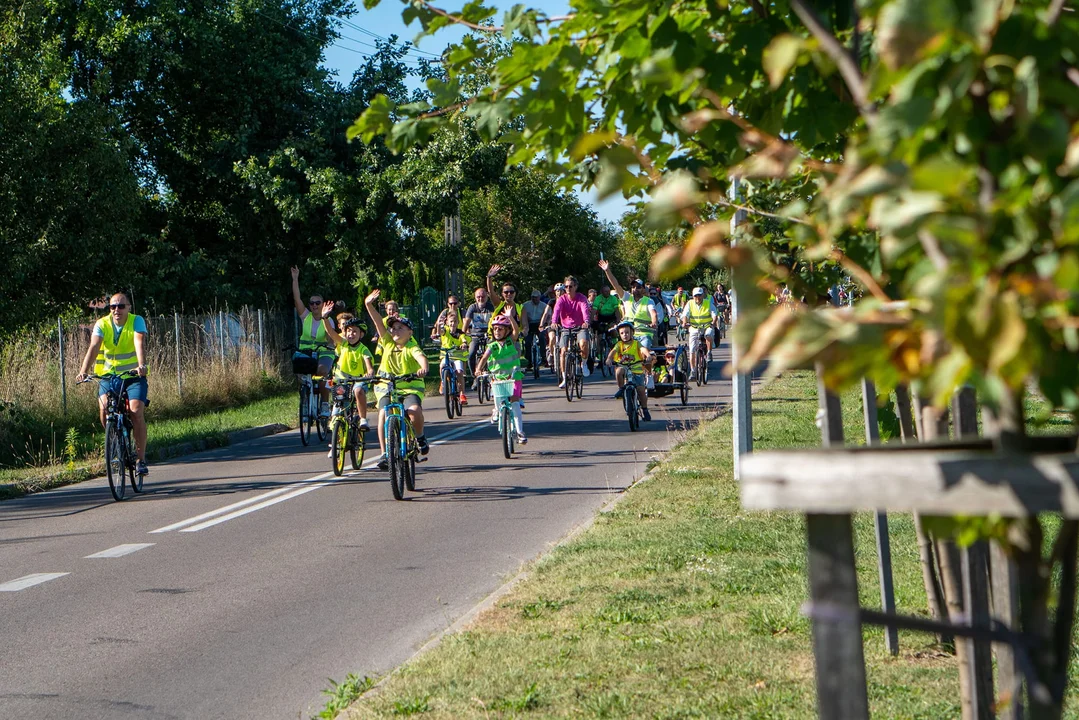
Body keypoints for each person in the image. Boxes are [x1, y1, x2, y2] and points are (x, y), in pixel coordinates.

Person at [76, 292, 150, 476]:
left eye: (121, 306)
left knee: (135, 411)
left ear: (129, 308)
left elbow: (138, 341)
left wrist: (141, 365)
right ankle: (115, 436)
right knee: (103, 409)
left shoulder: (136, 321)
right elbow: (94, 346)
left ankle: (140, 459)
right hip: (108, 376)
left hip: (132, 376)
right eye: (113, 306)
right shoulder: (102, 324)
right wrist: (84, 370)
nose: (117, 310)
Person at [364, 289, 429, 470]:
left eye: (401, 328)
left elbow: (421, 358)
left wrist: (424, 368)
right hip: (386, 385)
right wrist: (368, 305)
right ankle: (385, 453)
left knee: (414, 411)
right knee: (384, 414)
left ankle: (420, 436)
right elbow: (378, 322)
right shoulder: (387, 342)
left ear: (410, 332)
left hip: (410, 386)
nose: (395, 331)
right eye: (393, 328)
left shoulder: (411, 346)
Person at [320, 302, 374, 458]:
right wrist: (325, 318)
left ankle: (363, 419)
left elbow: (368, 365)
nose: (351, 334)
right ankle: (335, 444)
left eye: (355, 331)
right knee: (337, 411)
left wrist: (369, 372)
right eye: (348, 331)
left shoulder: (363, 348)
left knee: (358, 391)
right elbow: (330, 332)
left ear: (361, 334)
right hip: (342, 380)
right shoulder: (342, 344)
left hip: (358, 380)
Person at [291, 266, 335, 417]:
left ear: (323, 304)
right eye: (312, 303)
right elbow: (297, 299)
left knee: (322, 372)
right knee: (300, 373)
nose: (314, 305)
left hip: (324, 353)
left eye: (317, 302)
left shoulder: (328, 320)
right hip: (307, 353)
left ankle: (324, 403)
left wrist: (330, 343)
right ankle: (304, 401)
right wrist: (295, 279)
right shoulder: (306, 317)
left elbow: (331, 338)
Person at [476, 314, 527, 444]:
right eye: (495, 329)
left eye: (500, 329)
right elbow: (484, 358)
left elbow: (516, 330)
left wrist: (510, 318)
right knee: (498, 397)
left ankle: (520, 432)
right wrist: (478, 369)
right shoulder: (492, 346)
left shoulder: (511, 341)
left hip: (514, 377)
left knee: (515, 404)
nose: (497, 332)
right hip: (498, 379)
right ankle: (497, 410)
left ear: (507, 330)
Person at [598, 259, 658, 349]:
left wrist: (654, 322)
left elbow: (653, 313)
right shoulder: (627, 298)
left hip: (644, 335)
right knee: (622, 355)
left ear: (643, 289)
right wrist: (607, 270)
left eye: (638, 287)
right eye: (633, 287)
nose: (635, 289)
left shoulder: (648, 301)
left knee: (644, 353)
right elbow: (616, 285)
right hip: (628, 335)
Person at [606, 319, 653, 422]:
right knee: (619, 372)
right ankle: (621, 388)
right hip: (624, 367)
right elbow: (613, 352)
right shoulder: (619, 345)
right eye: (622, 333)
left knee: (641, 390)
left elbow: (643, 349)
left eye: (627, 332)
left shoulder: (636, 343)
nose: (625, 335)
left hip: (636, 369)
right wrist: (609, 359)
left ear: (632, 333)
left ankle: (645, 409)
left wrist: (648, 355)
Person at [551, 275, 593, 387]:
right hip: (566, 328)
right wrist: (554, 322)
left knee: (583, 343)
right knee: (563, 351)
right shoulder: (561, 299)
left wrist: (586, 322)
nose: (568, 289)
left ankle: (583, 364)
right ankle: (565, 377)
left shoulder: (581, 298)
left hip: (580, 327)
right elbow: (556, 311)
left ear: (575, 287)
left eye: (570, 286)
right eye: (566, 286)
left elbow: (585, 310)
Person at [431, 295, 469, 406]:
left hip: (457, 355)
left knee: (459, 372)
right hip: (446, 354)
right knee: (442, 366)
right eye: (451, 303)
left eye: (455, 303)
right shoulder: (445, 326)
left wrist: (464, 343)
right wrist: (437, 329)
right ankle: (443, 382)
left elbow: (463, 338)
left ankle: (462, 394)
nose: (453, 305)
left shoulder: (460, 331)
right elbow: (440, 330)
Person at [681, 286, 717, 372]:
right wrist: (684, 322)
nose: (697, 298)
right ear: (693, 296)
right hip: (694, 327)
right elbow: (685, 314)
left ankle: (709, 352)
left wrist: (713, 323)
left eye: (699, 295)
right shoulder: (690, 303)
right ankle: (693, 371)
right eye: (695, 296)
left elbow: (714, 314)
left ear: (703, 295)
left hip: (707, 326)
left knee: (708, 334)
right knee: (692, 349)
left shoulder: (708, 303)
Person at [462, 287, 494, 380]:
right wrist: (462, 334)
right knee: (471, 354)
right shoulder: (472, 307)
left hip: (488, 335)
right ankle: (474, 376)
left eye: (483, 296)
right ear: (475, 297)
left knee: (492, 353)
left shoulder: (490, 306)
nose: (480, 299)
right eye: (478, 297)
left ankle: (492, 374)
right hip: (475, 335)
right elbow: (467, 322)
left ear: (487, 297)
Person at [540, 283, 565, 367]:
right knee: (552, 338)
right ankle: (551, 354)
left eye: (561, 290)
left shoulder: (567, 301)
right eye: (557, 291)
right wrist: (541, 324)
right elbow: (546, 313)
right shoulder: (552, 301)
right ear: (555, 292)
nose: (559, 292)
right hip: (553, 324)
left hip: (564, 324)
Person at [524, 290, 548, 369]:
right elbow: (522, 316)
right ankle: (529, 361)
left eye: (536, 297)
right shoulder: (525, 305)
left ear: (539, 297)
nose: (534, 299)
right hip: (529, 324)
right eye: (533, 297)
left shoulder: (544, 305)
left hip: (539, 323)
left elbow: (547, 316)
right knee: (527, 341)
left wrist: (544, 323)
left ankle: (544, 358)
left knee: (542, 338)